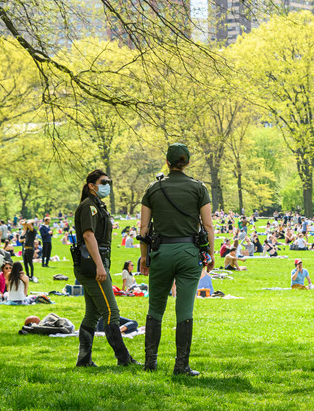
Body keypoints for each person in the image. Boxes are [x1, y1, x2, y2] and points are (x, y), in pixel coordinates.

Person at [139, 143, 215, 376]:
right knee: (184, 311)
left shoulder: (153, 188)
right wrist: (210, 253)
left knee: (155, 308)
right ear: (188, 162)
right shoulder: (198, 188)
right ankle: (181, 365)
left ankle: (150, 363)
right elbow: (208, 225)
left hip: (161, 253)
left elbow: (143, 227)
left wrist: (144, 257)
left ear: (167, 162)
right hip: (189, 253)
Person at [74, 169, 137, 368]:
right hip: (93, 265)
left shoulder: (97, 205)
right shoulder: (89, 206)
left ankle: (84, 360)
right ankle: (123, 359)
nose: (107, 185)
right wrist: (100, 266)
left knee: (92, 315)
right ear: (92, 185)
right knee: (112, 312)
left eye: (108, 181)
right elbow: (88, 236)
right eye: (103, 182)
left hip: (97, 263)